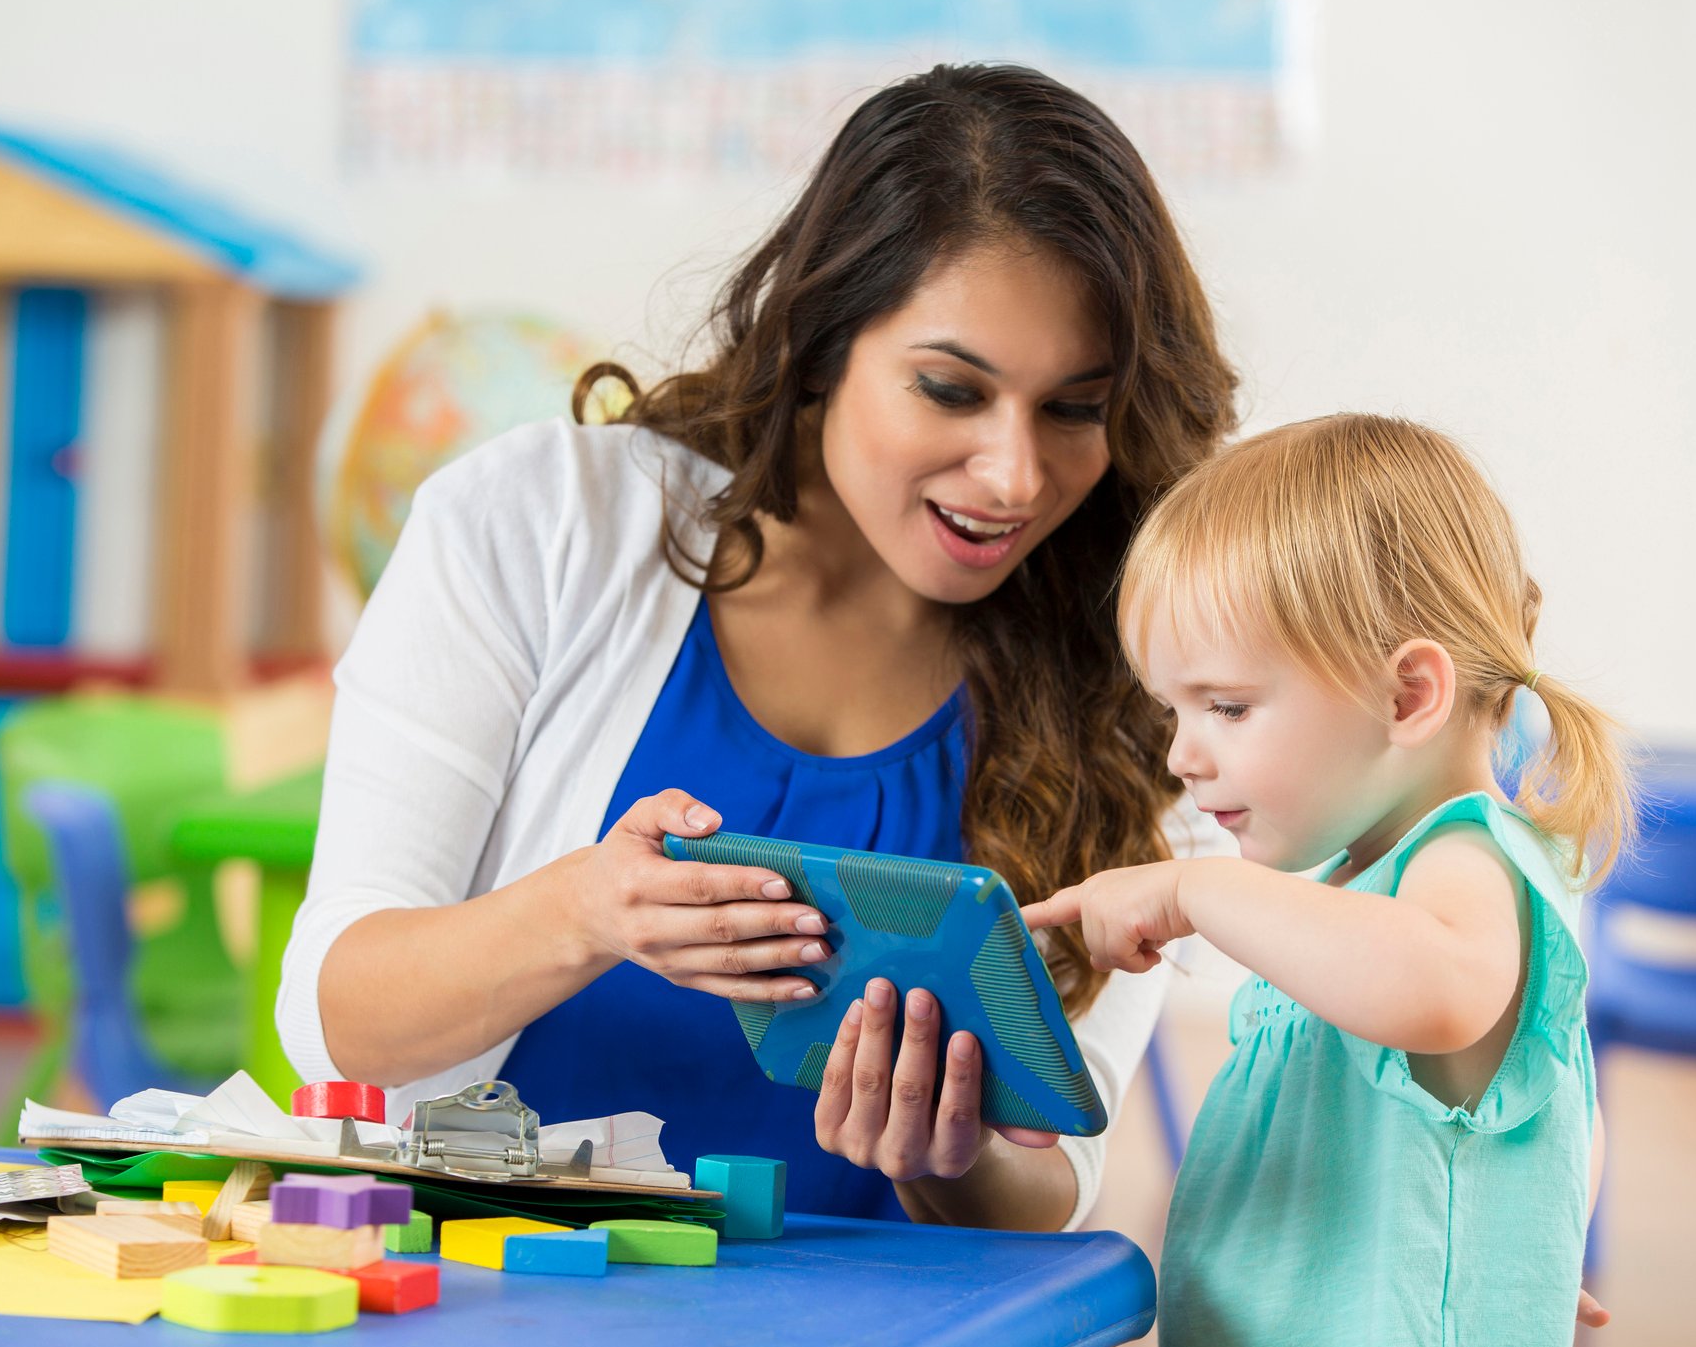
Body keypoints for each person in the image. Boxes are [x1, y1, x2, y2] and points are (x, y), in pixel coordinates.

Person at [278, 62, 1240, 1232]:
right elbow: (336, 1014)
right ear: (826, 343)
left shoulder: (1146, 683)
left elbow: (1057, 1181)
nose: (1015, 475)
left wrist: (941, 1161)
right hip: (494, 1298)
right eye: (950, 389)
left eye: (1076, 408)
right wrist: (586, 911)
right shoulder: (537, 523)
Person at [1027, 413, 1629, 1347]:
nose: (1183, 755)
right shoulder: (1359, 891)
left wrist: (1192, 892)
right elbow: (1564, 1098)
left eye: (1225, 707)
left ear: (1406, 698)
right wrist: (1530, 1225)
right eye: (1173, 710)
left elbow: (1437, 987)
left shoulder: (1466, 859)